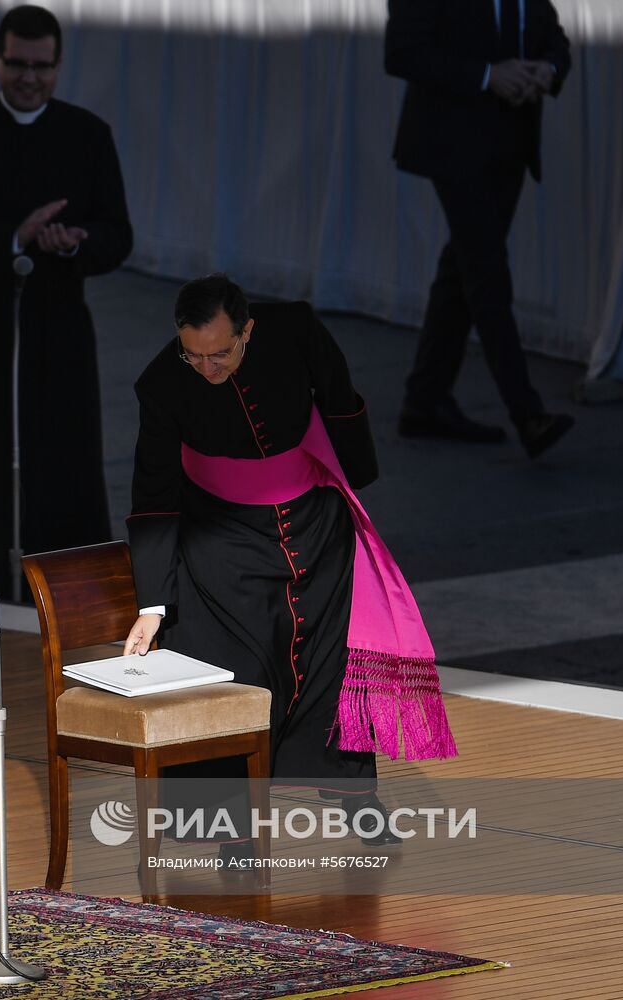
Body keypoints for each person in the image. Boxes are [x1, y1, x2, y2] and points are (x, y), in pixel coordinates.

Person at [124, 275, 456, 844]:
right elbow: (154, 495)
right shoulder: (160, 382)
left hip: (315, 528)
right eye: (193, 354)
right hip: (222, 541)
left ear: (247, 331)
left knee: (332, 664)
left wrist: (354, 481)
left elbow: (339, 399)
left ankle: (356, 800)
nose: (207, 368)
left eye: (221, 353)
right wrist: (153, 603)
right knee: (233, 676)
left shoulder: (297, 329)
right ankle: (227, 829)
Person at [0, 4, 133, 594]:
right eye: (17, 63)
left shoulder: (87, 135)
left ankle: (68, 599)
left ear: (58, 66)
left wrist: (76, 242)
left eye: (41, 66)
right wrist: (12, 238)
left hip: (55, 330)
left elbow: (118, 235)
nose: (29, 77)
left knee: (63, 464)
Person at [386, 0, 574, 458]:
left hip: (510, 141)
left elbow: (553, 37)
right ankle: (527, 412)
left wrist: (548, 69)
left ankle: (425, 401)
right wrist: (490, 75)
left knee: (464, 269)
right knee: (487, 272)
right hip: (453, 143)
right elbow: (403, 53)